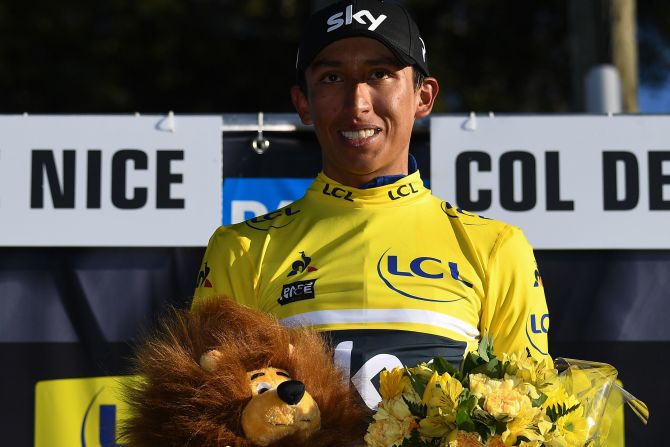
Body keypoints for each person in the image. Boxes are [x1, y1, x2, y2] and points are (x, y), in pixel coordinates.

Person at [193, 0, 550, 409]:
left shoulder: (496, 246)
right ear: (303, 103)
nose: (357, 102)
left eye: (380, 74)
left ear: (423, 96)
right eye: (331, 77)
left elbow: (527, 416)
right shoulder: (242, 248)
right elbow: (206, 419)